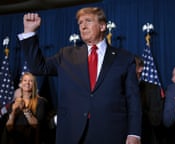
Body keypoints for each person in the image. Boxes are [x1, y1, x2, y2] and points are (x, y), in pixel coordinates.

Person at [18, 7, 141, 144]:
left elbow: (133, 99)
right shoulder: (66, 55)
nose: (83, 26)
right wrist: (29, 32)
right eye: (80, 23)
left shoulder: (124, 58)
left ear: (102, 26)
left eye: (88, 21)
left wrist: (134, 133)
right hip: (72, 133)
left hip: (111, 133)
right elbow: (38, 67)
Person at [2, 72, 48, 144]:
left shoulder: (41, 102)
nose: (27, 83)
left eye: (30, 81)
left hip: (31, 139)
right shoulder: (13, 103)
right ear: (21, 84)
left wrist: (24, 109)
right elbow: (8, 127)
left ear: (34, 85)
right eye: (25, 80)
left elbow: (36, 125)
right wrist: (13, 111)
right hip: (14, 140)